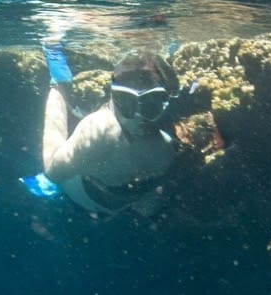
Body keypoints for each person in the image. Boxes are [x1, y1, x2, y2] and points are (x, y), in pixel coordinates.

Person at [33, 49, 184, 216]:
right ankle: (60, 85)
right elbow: (53, 174)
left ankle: (59, 82)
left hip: (85, 201)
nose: (138, 115)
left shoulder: (99, 129)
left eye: (151, 101)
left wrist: (59, 88)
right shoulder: (99, 129)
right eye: (126, 100)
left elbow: (54, 174)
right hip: (97, 203)